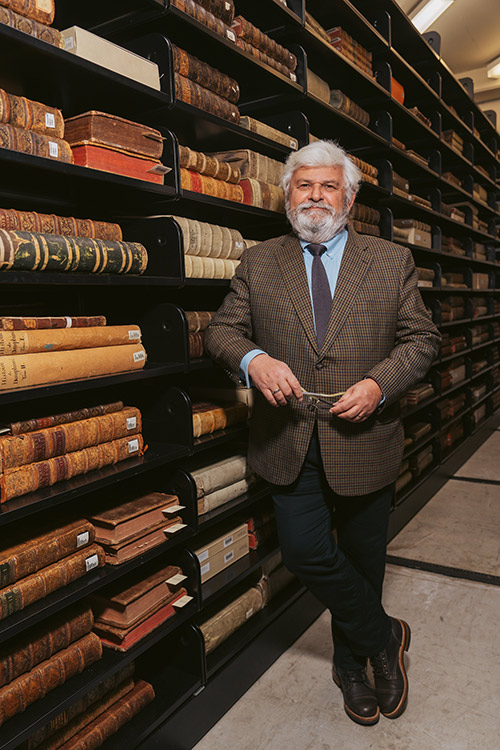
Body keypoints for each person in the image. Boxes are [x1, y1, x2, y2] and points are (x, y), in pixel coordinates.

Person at [204, 140, 440, 726]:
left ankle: (352, 664)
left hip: (365, 441)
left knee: (363, 561)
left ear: (350, 197)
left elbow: (422, 341)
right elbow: (221, 333)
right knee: (309, 553)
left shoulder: (390, 261)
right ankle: (385, 637)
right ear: (288, 195)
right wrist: (254, 360)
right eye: (303, 185)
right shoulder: (260, 262)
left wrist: (380, 385)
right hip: (287, 441)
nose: (315, 196)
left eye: (328, 186)